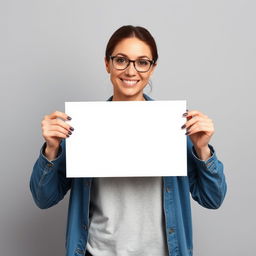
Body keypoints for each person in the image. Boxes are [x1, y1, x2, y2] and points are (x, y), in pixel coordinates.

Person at [30, 25, 227, 256]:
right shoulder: (82, 127)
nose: (131, 71)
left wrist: (202, 149)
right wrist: (52, 149)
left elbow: (212, 199)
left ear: (152, 68)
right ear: (107, 64)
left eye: (142, 62)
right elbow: (43, 199)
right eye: (121, 60)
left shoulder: (175, 127)